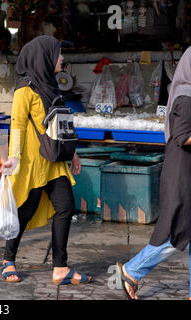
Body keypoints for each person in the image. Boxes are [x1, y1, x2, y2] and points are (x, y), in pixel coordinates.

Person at [0, 35, 91, 284]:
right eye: (58, 53)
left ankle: (60, 267)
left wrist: (73, 152)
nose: (61, 59)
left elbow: (59, 123)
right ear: (44, 57)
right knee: (25, 210)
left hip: (53, 162)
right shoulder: (24, 90)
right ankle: (8, 259)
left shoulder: (51, 85)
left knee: (65, 206)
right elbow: (16, 125)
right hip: (31, 163)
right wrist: (14, 158)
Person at [116, 47, 191, 300]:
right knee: (179, 229)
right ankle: (132, 269)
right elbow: (182, 136)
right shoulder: (185, 96)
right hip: (182, 174)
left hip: (185, 172)